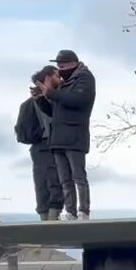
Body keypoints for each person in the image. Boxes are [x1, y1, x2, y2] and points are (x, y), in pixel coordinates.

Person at [41, 49, 96, 220]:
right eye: (58, 66)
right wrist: (42, 99)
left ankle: (84, 211)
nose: (60, 69)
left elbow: (77, 100)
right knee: (65, 179)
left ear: (73, 64)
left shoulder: (85, 79)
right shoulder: (64, 83)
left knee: (78, 176)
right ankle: (70, 211)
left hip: (75, 135)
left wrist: (53, 93)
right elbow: (54, 111)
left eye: (62, 65)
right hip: (59, 137)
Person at [18, 66, 64, 220]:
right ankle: (51, 220)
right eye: (57, 75)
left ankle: (46, 219)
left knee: (41, 182)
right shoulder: (49, 99)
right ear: (48, 77)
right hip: (48, 143)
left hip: (38, 147)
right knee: (55, 181)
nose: (61, 78)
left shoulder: (28, 103)